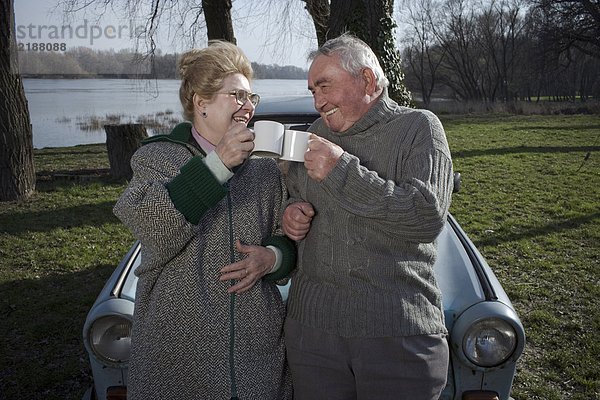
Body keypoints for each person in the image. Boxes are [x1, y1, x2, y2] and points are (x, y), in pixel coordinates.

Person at [113, 41, 295, 400]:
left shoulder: (264, 168)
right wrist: (217, 166)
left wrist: (272, 258)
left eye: (251, 97)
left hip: (256, 356)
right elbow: (154, 230)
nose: (248, 106)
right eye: (236, 95)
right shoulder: (156, 158)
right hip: (178, 355)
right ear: (201, 102)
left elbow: (287, 242)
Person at [281, 33, 454, 400]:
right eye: (313, 90)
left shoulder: (418, 128)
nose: (318, 101)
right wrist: (292, 215)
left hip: (397, 335)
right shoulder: (313, 134)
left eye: (325, 86)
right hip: (313, 335)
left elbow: (425, 217)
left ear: (368, 80)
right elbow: (296, 197)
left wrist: (340, 169)